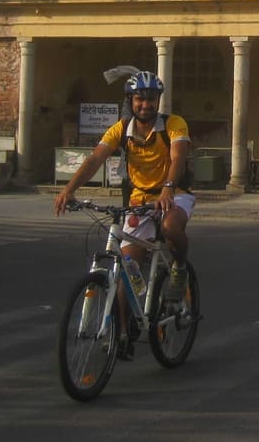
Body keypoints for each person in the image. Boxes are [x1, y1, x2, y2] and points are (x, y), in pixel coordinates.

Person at [54, 71, 194, 356]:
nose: (146, 104)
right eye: (140, 99)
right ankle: (123, 333)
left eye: (151, 99)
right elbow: (95, 158)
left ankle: (179, 269)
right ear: (130, 100)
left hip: (174, 193)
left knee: (170, 228)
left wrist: (168, 187)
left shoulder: (173, 124)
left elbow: (179, 156)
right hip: (139, 199)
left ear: (158, 101)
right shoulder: (121, 128)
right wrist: (70, 189)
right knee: (126, 268)